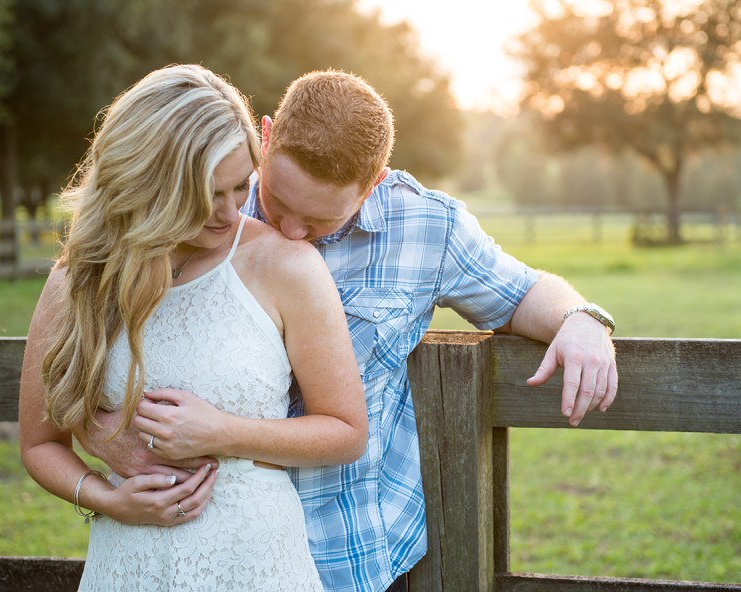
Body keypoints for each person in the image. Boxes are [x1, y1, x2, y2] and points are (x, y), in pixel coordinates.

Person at [83, 70, 618, 592]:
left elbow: (520, 292)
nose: (290, 232)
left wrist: (583, 319)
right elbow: (87, 356)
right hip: (201, 543)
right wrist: (110, 438)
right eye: (278, 201)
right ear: (265, 138)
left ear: (374, 183)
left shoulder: (425, 227)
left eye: (317, 222)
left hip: (344, 548)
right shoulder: (207, 201)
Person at [18, 64, 368, 591]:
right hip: (127, 563)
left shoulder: (285, 267)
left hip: (256, 562)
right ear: (151, 181)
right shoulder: (81, 278)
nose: (232, 211)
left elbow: (346, 431)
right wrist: (107, 499)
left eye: (242, 186)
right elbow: (39, 443)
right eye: (210, 193)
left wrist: (223, 432)